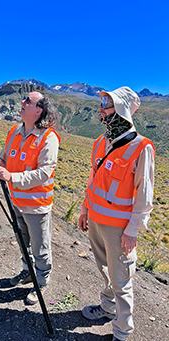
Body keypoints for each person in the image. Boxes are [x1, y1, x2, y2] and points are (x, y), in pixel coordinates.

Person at [78, 86, 155, 341]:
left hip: (119, 229)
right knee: (105, 270)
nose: (101, 110)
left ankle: (122, 332)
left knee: (121, 280)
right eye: (101, 105)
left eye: (106, 105)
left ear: (120, 110)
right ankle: (108, 308)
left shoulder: (141, 147)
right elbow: (93, 180)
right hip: (97, 222)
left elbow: (144, 195)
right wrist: (84, 209)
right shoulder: (101, 142)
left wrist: (133, 230)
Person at [0, 91, 60, 305]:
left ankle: (41, 281)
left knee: (40, 246)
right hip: (16, 200)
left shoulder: (48, 138)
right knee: (22, 240)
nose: (22, 102)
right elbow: (3, 157)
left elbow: (44, 173)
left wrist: (12, 177)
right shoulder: (15, 131)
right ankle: (27, 272)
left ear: (39, 110)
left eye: (28, 101)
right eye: (24, 99)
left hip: (36, 205)